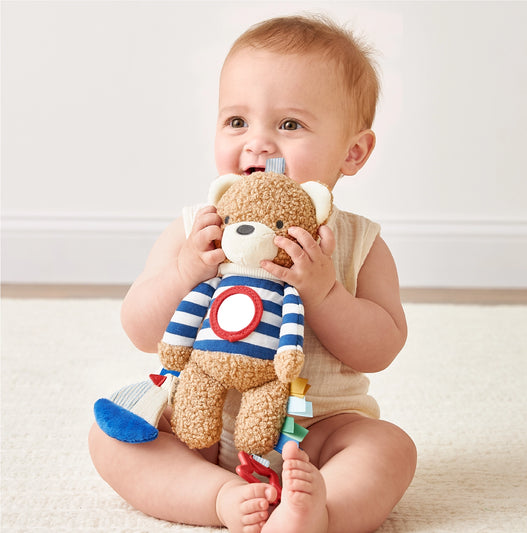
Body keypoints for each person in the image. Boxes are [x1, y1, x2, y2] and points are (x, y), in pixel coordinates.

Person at [89, 14, 417, 533]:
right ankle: (220, 496)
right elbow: (140, 329)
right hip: (202, 421)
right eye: (237, 121)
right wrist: (186, 270)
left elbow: (380, 348)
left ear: (353, 152)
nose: (258, 143)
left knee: (389, 447)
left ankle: (319, 511)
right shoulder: (197, 229)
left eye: (289, 125)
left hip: (314, 433)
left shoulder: (360, 243)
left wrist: (325, 292)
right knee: (112, 436)